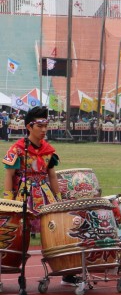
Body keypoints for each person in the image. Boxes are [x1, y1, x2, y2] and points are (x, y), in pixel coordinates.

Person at [2, 106, 70, 284]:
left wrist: (59, 200)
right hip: (22, 198)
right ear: (29, 127)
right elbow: (9, 175)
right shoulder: (17, 149)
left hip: (45, 197)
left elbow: (52, 176)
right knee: (16, 236)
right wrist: (8, 202)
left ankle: (67, 273)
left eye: (46, 125)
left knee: (56, 234)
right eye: (40, 125)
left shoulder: (49, 150)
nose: (44, 130)